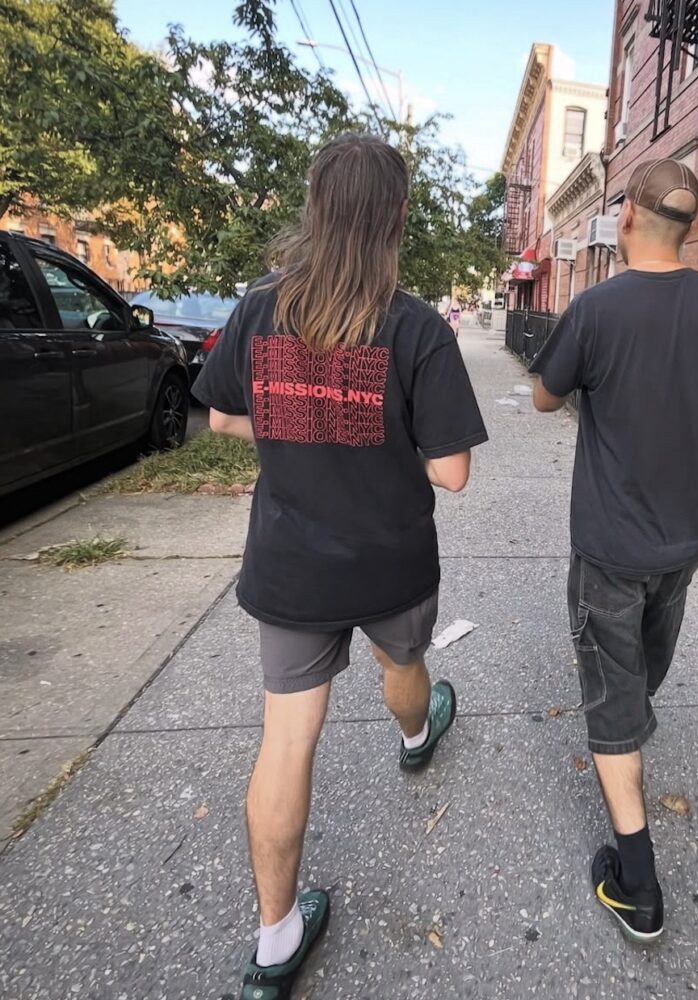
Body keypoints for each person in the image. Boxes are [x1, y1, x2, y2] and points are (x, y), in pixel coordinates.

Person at [193, 133, 488, 1000]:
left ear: (315, 208)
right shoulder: (417, 327)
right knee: (404, 666)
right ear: (397, 217)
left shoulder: (259, 308)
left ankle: (274, 942)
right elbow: (452, 471)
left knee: (286, 741)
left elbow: (221, 418)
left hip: (291, 565)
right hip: (389, 561)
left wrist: (299, 421)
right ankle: (415, 738)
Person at [530, 158, 698, 943]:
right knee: (641, 671)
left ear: (629, 217)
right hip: (682, 547)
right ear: (692, 226)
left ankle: (636, 885)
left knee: (614, 702)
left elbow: (543, 396)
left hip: (609, 547)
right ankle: (631, 730)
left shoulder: (595, 308)